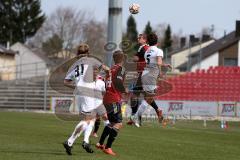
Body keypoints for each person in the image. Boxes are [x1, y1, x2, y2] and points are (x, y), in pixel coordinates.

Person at [62, 43, 110, 155]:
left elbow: (65, 82)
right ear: (88, 53)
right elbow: (107, 69)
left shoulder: (74, 65)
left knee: (91, 117)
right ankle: (69, 141)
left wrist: (77, 86)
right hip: (88, 92)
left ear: (77, 54)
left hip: (79, 93)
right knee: (87, 119)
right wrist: (108, 75)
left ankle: (85, 141)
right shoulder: (91, 60)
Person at [133, 33, 171, 127]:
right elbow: (158, 63)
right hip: (151, 75)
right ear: (157, 41)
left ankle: (157, 110)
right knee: (148, 98)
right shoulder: (159, 51)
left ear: (148, 41)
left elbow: (152, 62)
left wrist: (164, 65)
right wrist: (160, 73)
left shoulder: (147, 51)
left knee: (148, 97)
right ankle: (136, 116)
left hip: (145, 73)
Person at [96, 50, 128, 156]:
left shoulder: (111, 69)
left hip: (106, 98)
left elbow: (106, 83)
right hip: (113, 99)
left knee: (111, 123)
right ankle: (108, 147)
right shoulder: (121, 69)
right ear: (122, 59)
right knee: (118, 123)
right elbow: (118, 82)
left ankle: (100, 143)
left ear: (114, 59)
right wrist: (124, 90)